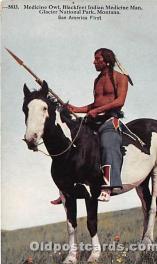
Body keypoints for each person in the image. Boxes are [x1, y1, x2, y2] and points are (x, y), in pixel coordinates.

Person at [51, 48, 133, 204]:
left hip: (109, 121)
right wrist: (76, 109)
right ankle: (67, 187)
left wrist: (98, 111)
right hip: (93, 120)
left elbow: (119, 101)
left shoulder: (120, 78)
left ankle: (108, 187)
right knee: (70, 141)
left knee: (109, 145)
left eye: (97, 58)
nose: (94, 62)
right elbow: (95, 104)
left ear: (106, 60)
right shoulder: (97, 80)